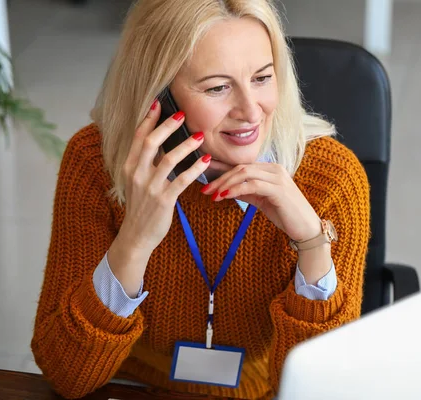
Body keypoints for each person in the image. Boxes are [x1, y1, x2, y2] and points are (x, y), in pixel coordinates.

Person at [30, 0, 370, 399]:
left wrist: (312, 244)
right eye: (218, 87)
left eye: (262, 78)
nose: (250, 111)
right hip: (126, 386)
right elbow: (66, 376)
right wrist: (134, 241)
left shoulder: (331, 178)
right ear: (159, 97)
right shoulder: (95, 162)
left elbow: (324, 390)